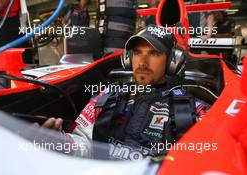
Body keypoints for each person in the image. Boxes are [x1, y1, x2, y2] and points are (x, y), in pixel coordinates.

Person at [41, 25, 208, 160]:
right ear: (127, 59)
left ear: (173, 61)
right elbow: (84, 144)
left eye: (154, 54)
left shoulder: (192, 111)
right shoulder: (106, 97)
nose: (142, 62)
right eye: (137, 53)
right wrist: (61, 142)